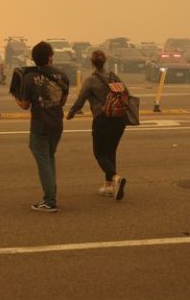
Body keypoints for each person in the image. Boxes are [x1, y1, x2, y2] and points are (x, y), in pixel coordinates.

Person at [14, 41, 69, 212]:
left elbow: (25, 105)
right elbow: (63, 101)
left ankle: (50, 200)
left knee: (43, 159)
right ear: (51, 57)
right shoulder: (62, 76)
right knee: (49, 157)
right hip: (57, 123)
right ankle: (51, 195)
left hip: (40, 124)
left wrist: (15, 95)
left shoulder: (29, 78)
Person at [67, 49, 128, 200]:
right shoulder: (114, 77)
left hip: (103, 119)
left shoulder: (91, 80)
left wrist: (71, 113)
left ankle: (115, 178)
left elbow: (80, 101)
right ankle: (109, 186)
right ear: (105, 61)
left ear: (92, 62)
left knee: (100, 153)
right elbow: (127, 93)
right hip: (120, 119)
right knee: (111, 151)